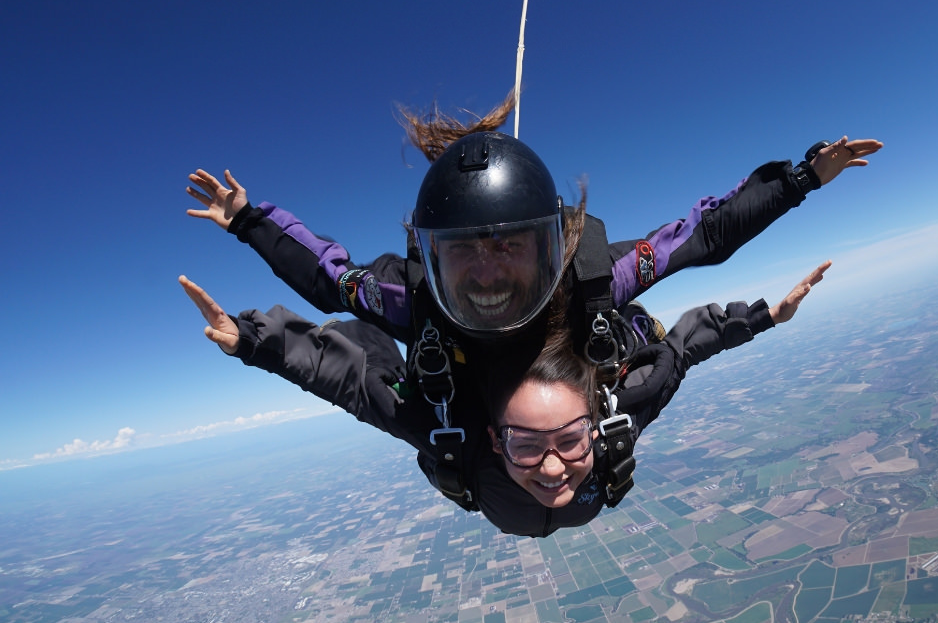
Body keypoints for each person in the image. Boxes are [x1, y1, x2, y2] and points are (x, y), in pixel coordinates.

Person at [186, 99, 878, 506]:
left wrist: (799, 179)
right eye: (465, 253)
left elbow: (701, 238)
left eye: (509, 246)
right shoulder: (417, 302)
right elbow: (331, 286)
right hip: (477, 436)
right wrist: (250, 232)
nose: (489, 273)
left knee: (630, 346)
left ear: (550, 243)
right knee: (374, 363)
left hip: (555, 416)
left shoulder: (592, 280)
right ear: (434, 257)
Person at [179, 262, 830, 537]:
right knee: (379, 359)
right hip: (513, 507)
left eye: (569, 439)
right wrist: (254, 340)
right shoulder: (448, 431)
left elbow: (685, 344)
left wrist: (765, 315)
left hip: (548, 506)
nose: (553, 466)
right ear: (495, 437)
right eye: (528, 443)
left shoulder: (618, 409)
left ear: (590, 424)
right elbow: (345, 379)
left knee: (639, 340)